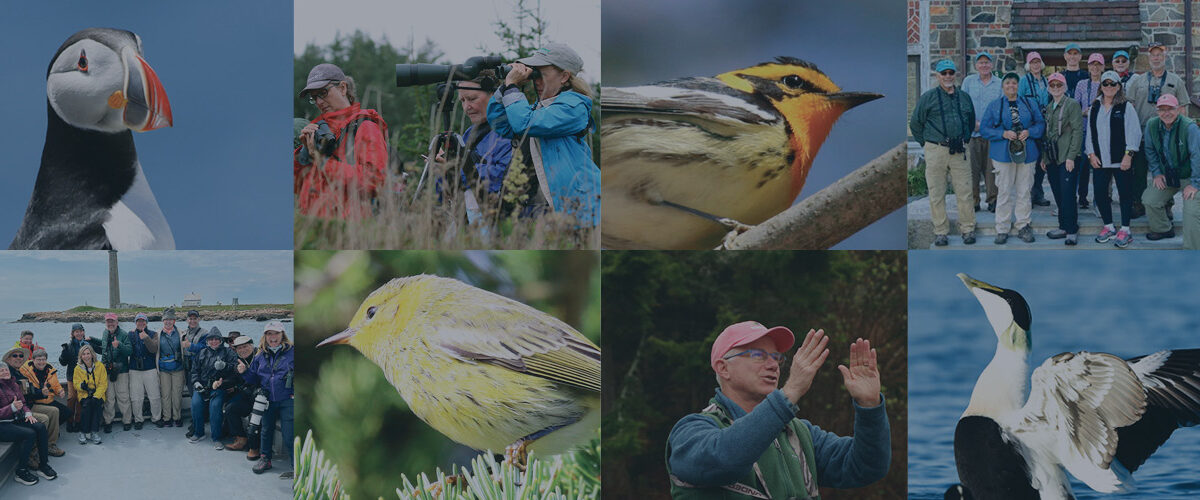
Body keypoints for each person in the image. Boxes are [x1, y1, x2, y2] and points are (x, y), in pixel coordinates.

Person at [665, 322, 889, 498]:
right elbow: (725, 459)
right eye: (757, 355)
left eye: (776, 357)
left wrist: (869, 407)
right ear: (723, 368)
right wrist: (789, 392)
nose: (773, 364)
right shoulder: (690, 431)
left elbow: (866, 467)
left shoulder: (800, 433)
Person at [487, 43, 601, 226]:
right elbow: (500, 124)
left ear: (564, 76)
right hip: (540, 206)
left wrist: (512, 88)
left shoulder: (574, 107)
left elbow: (524, 125)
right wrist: (504, 90)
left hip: (578, 207)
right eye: (534, 74)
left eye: (542, 75)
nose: (536, 81)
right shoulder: (539, 109)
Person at [295, 63, 390, 219]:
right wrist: (303, 155)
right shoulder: (317, 130)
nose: (319, 102)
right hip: (314, 232)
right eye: (314, 98)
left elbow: (374, 181)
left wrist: (323, 162)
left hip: (348, 233)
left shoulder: (365, 126)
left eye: (323, 93)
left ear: (343, 88)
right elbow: (293, 185)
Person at [910, 59, 977, 246]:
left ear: (955, 75)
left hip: (959, 150)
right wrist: (926, 144)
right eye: (944, 73)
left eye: (950, 73)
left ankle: (968, 229)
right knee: (936, 192)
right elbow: (916, 123)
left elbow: (970, 121)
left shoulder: (964, 97)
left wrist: (964, 139)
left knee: (964, 191)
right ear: (937, 76)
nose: (948, 76)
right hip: (936, 149)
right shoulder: (928, 98)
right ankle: (940, 231)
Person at [1126, 42, 1191, 219]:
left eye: (1159, 55)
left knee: (1166, 169)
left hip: (1167, 135)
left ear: (1165, 57)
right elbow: (1130, 106)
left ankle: (1166, 205)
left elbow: (1183, 107)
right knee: (1139, 171)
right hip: (1141, 135)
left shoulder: (1175, 80)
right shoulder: (1138, 80)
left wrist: (1181, 134)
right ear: (1148, 58)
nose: (1156, 57)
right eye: (1153, 55)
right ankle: (1138, 203)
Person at [982, 72, 1046, 244]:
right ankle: (1002, 227)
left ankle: (1023, 225)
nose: (1011, 86)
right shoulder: (995, 105)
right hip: (1003, 154)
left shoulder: (1029, 103)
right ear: (1003, 86)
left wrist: (1029, 132)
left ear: (1018, 86)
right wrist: (1002, 133)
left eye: (1014, 83)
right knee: (1004, 190)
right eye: (1008, 83)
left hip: (1027, 153)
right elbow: (985, 129)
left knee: (1024, 190)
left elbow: (1041, 124)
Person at [1085, 71, 1142, 248]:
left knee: (1125, 195)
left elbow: (1134, 131)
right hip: (1100, 159)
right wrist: (1091, 154)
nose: (1109, 87)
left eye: (1113, 84)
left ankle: (1125, 229)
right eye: (1105, 83)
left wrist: (1129, 155)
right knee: (1101, 193)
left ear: (1119, 87)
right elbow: (1089, 133)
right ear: (1101, 86)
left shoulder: (1126, 106)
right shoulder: (1094, 106)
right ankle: (1109, 226)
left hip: (1121, 160)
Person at [1141, 94, 1200, 248]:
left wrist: (1195, 183)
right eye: (1162, 109)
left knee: (1191, 212)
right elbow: (1150, 150)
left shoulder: (1190, 127)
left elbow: (1197, 156)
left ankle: (1192, 251)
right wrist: (1156, 173)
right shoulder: (1152, 125)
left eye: (1170, 109)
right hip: (1167, 175)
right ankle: (1163, 229)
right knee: (1149, 199)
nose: (1166, 113)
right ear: (1157, 110)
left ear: (1179, 109)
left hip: (1189, 176)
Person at [237, 321, 294, 475]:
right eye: (269, 334)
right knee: (266, 430)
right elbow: (253, 379)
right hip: (268, 399)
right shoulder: (260, 355)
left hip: (288, 399)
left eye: (276, 333)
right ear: (265, 336)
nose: (272, 337)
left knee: (289, 436)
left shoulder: (292, 352)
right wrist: (244, 372)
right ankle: (265, 459)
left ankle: (298, 467)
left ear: (282, 334)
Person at [0, 355, 57, 485]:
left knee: (40, 426)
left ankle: (43, 465)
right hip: (3, 425)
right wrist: (12, 408)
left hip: (16, 419)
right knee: (29, 434)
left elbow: (23, 403)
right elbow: (11, 408)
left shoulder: (14, 384)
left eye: (6, 370)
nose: (5, 372)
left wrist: (28, 413)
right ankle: (21, 471)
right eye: (1, 371)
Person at [1042, 73, 1085, 245]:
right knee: (1058, 193)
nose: (1056, 88)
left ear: (1065, 87)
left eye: (1059, 85)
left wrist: (1071, 156)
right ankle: (1063, 225)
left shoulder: (1072, 104)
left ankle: (1072, 229)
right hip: (1052, 157)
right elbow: (1047, 134)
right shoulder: (1050, 106)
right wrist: (1044, 158)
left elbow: (1077, 131)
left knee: (1068, 193)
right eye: (1052, 85)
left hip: (1067, 156)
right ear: (1049, 88)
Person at [4, 348, 63, 462]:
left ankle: (50, 445)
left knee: (55, 411)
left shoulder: (19, 373)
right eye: (15, 356)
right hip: (16, 413)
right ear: (8, 359)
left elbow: (30, 390)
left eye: (21, 356)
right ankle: (33, 452)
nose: (19, 358)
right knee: (44, 419)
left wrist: (41, 392)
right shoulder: (8, 374)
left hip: (27, 406)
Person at [961, 52, 1002, 212]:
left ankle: (993, 200)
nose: (984, 65)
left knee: (991, 170)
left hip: (992, 134)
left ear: (991, 65)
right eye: (981, 63)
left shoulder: (999, 83)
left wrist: (987, 126)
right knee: (972, 170)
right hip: (972, 133)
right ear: (976, 66)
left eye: (987, 62)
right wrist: (973, 124)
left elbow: (1001, 106)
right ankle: (974, 201)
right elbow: (963, 105)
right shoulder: (968, 82)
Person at [189, 327, 235, 448]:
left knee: (215, 408)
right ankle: (198, 432)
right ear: (207, 341)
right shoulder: (202, 353)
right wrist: (196, 383)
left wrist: (225, 366)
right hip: (202, 387)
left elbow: (234, 369)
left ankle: (217, 437)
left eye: (216, 339)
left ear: (220, 340)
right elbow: (194, 371)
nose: (213, 341)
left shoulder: (228, 352)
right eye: (211, 339)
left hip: (219, 387)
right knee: (195, 404)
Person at [1073, 53, 1107, 209]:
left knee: (1101, 167)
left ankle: (1100, 198)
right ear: (1088, 66)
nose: (1095, 67)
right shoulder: (1081, 84)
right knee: (1083, 167)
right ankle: (1082, 197)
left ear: (1103, 67)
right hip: (1085, 130)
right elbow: (1074, 109)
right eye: (1092, 64)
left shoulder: (1108, 84)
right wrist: (1084, 112)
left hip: (1103, 132)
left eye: (1098, 64)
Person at [1019, 52, 1051, 207]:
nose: (1036, 65)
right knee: (1030, 161)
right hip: (1030, 125)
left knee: (1041, 161)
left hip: (1045, 124)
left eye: (1038, 61)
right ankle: (1028, 195)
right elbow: (1019, 101)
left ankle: (1038, 193)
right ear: (1028, 65)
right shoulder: (1024, 81)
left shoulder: (1046, 81)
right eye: (1032, 62)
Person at [18, 349, 71, 438]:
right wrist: (41, 392)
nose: (41, 362)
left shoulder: (50, 370)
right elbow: (28, 390)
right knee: (53, 412)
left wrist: (60, 391)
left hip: (48, 400)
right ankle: (50, 432)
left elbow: (56, 385)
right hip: (35, 402)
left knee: (67, 412)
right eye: (39, 360)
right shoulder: (25, 371)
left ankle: (52, 429)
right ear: (33, 360)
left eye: (43, 360)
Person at [58, 323, 101, 433]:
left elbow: (101, 349)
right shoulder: (69, 346)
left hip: (85, 377)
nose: (79, 333)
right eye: (76, 331)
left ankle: (78, 421)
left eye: (80, 331)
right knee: (72, 398)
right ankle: (69, 420)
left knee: (81, 399)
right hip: (72, 376)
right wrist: (64, 353)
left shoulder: (88, 344)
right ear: (72, 334)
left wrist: (94, 340)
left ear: (83, 332)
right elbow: (62, 363)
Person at [222, 334, 259, 454]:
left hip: (263, 398)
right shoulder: (238, 361)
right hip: (248, 396)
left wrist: (246, 372)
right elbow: (234, 379)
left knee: (258, 418)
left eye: (245, 346)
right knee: (230, 408)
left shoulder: (261, 357)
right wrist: (220, 383)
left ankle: (257, 447)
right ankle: (241, 438)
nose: (242, 350)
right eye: (239, 348)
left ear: (252, 346)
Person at [127, 312, 161, 429]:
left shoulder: (153, 334)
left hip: (150, 368)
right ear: (135, 323)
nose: (141, 323)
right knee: (136, 397)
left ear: (146, 322)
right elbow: (127, 350)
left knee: (154, 396)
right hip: (134, 369)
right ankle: (138, 419)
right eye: (138, 321)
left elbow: (153, 349)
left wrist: (146, 338)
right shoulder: (130, 334)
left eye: (143, 321)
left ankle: (156, 418)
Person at [100, 312, 132, 432]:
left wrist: (119, 345)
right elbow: (103, 347)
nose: (110, 323)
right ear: (106, 323)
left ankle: (127, 420)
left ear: (117, 322)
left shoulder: (123, 334)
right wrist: (91, 340)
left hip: (121, 371)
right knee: (109, 398)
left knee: (123, 397)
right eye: (108, 321)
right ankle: (108, 421)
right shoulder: (105, 333)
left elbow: (129, 351)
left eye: (112, 321)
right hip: (107, 371)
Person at [72, 344, 106, 445]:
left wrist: (96, 396)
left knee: (97, 406)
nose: (86, 356)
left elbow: (103, 384)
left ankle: (94, 432)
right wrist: (81, 386)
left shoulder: (100, 366)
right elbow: (75, 383)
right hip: (84, 394)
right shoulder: (77, 368)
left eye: (88, 353)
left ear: (92, 354)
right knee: (86, 407)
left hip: (98, 394)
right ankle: (83, 432)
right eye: (84, 354)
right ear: (81, 356)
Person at [157, 308, 185, 428]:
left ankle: (177, 417)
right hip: (164, 369)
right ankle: (167, 418)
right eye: (166, 319)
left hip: (178, 368)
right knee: (165, 394)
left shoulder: (181, 333)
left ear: (174, 321)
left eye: (170, 319)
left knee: (177, 394)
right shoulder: (158, 334)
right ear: (163, 321)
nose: (168, 322)